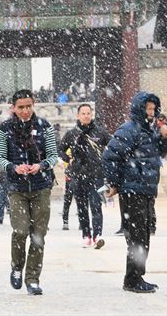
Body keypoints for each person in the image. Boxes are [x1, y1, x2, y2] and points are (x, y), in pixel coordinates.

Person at [103, 92, 167, 293]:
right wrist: (115, 183)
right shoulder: (129, 130)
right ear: (139, 109)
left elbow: (162, 150)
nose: (151, 113)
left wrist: (166, 137)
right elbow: (110, 156)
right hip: (131, 190)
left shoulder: (152, 131)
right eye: (148, 109)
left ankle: (136, 277)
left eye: (153, 109)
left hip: (146, 190)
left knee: (144, 234)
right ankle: (132, 279)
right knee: (136, 237)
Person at [0, 89, 58, 296]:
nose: (25, 111)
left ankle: (32, 278)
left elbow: (53, 156)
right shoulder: (5, 128)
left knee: (38, 236)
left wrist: (41, 165)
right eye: (21, 107)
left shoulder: (44, 126)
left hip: (41, 187)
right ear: (13, 108)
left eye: (29, 106)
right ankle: (16, 267)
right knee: (20, 231)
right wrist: (14, 167)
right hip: (17, 189)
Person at [59, 103, 112, 249]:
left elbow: (113, 145)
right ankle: (86, 235)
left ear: (92, 114)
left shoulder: (100, 132)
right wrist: (69, 159)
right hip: (78, 175)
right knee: (81, 207)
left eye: (88, 113)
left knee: (96, 205)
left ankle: (98, 236)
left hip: (97, 175)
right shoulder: (72, 134)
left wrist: (106, 159)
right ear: (78, 115)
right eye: (83, 113)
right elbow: (60, 150)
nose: (86, 115)